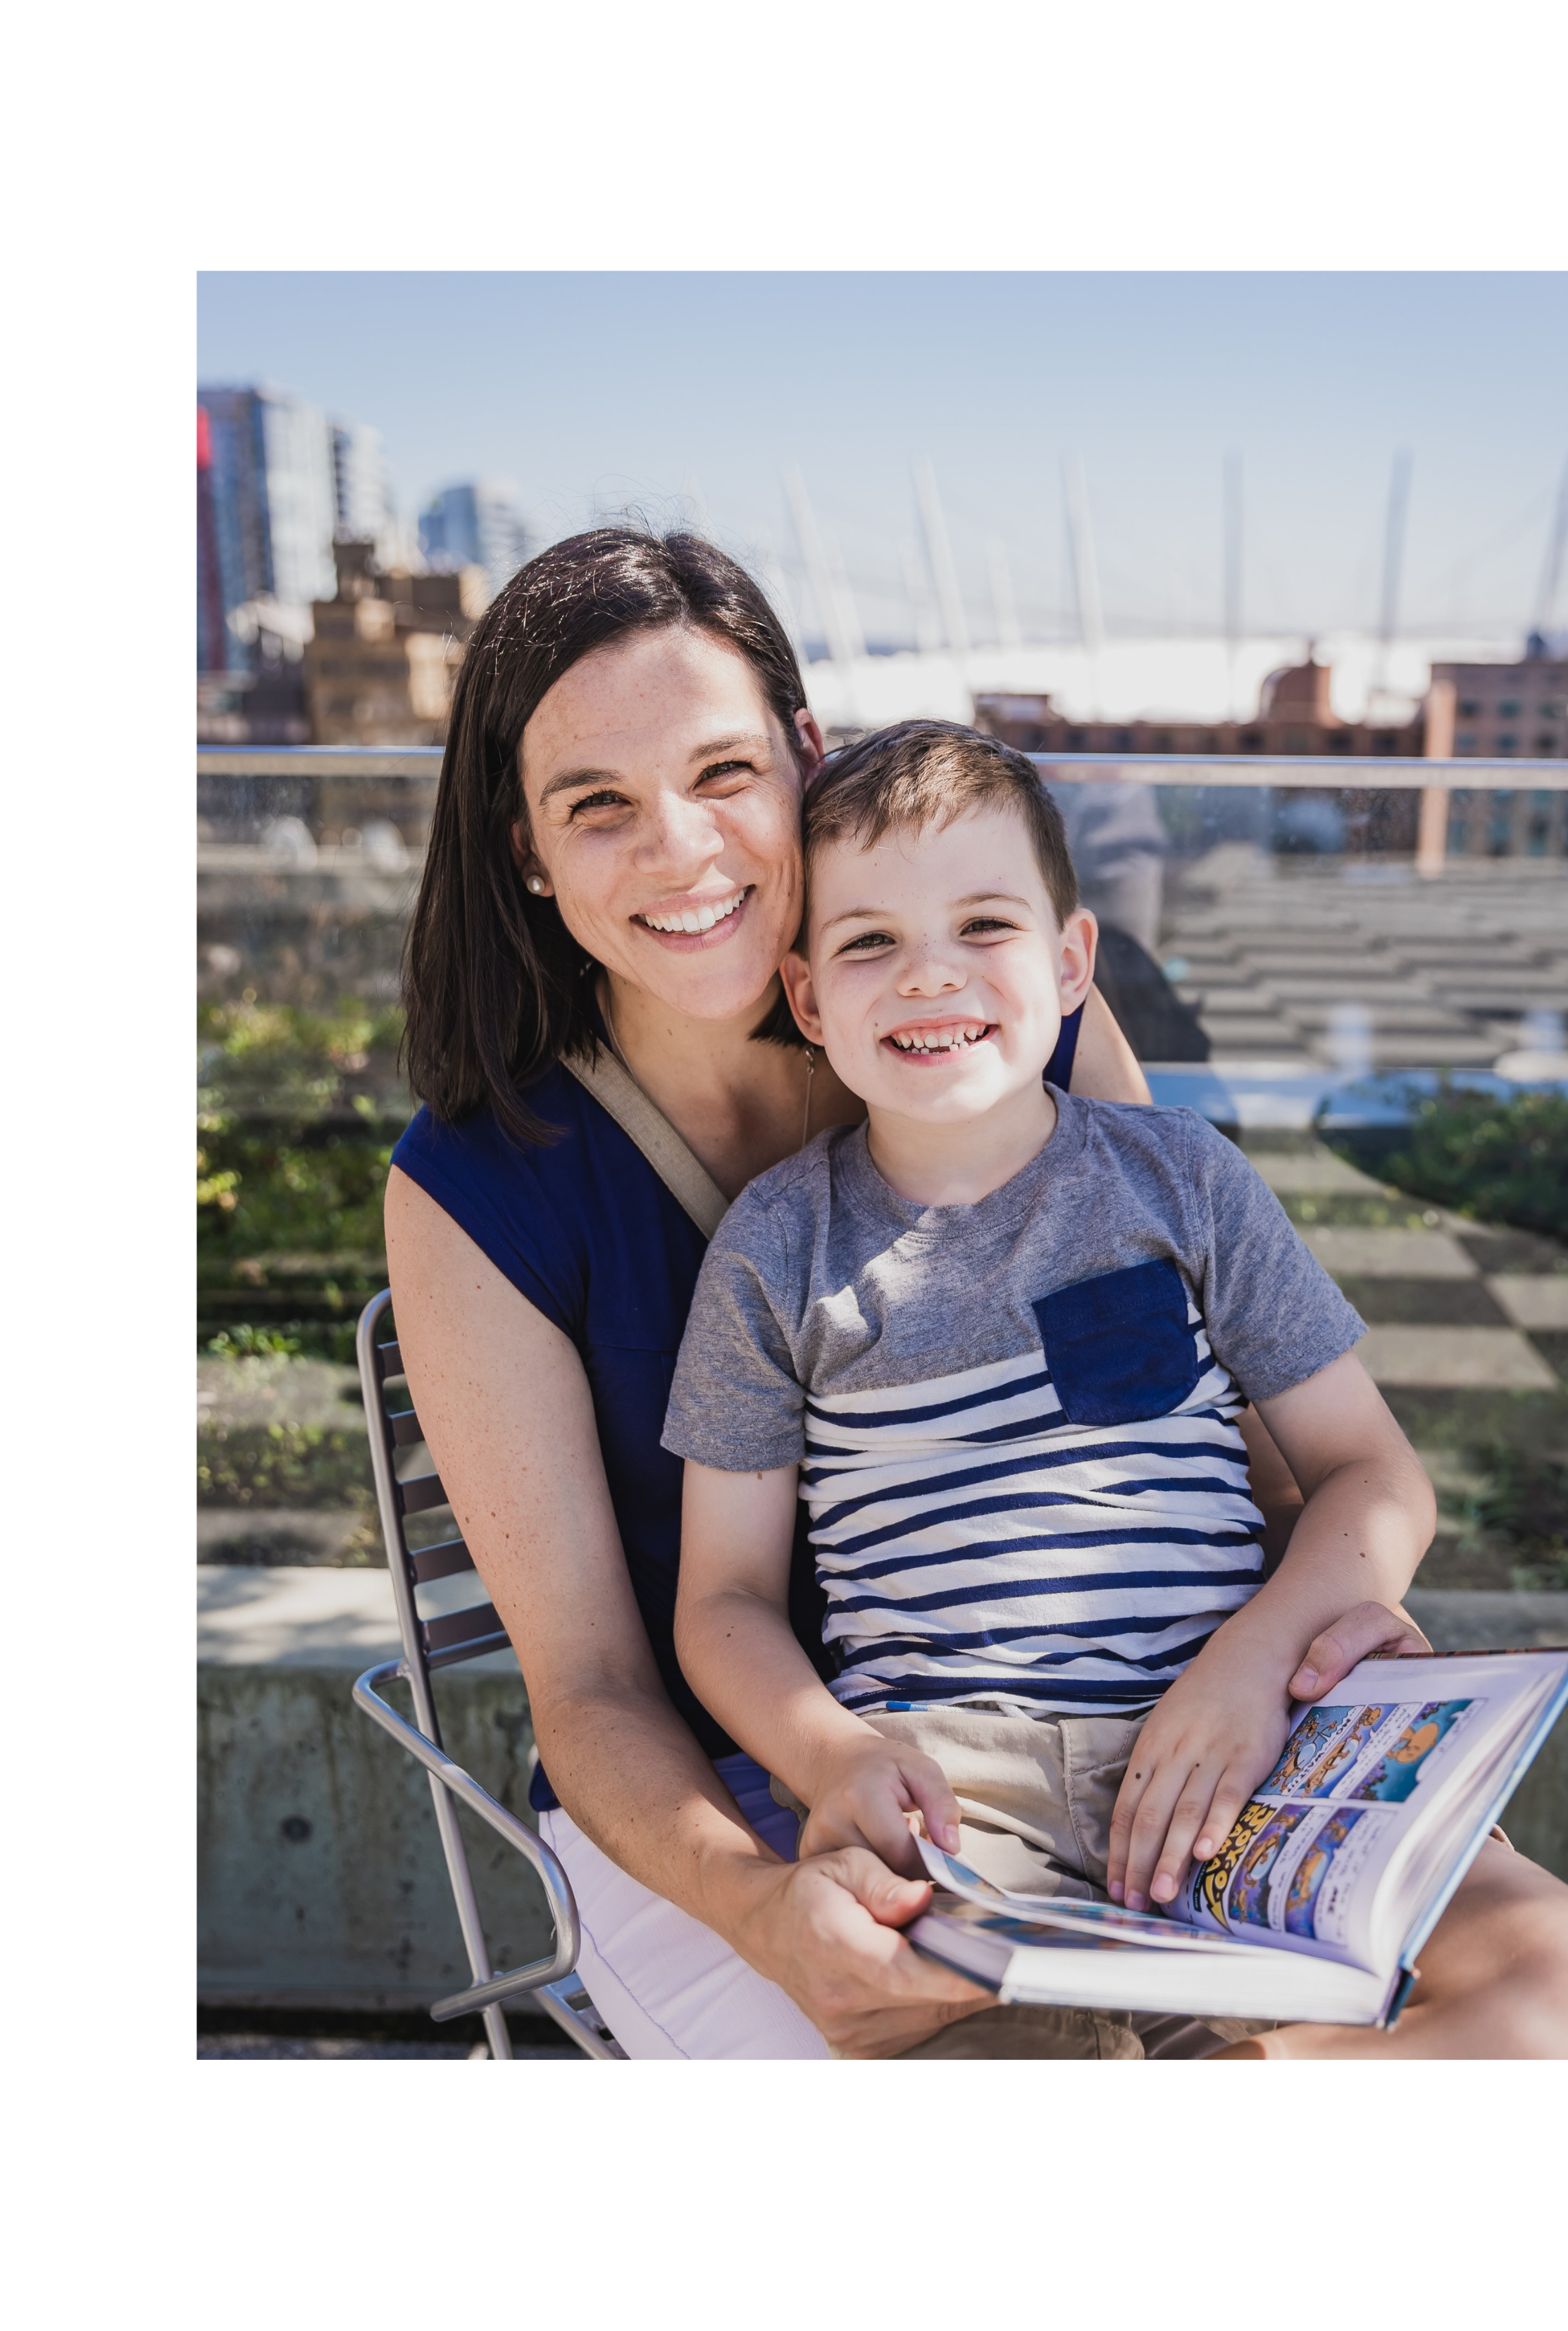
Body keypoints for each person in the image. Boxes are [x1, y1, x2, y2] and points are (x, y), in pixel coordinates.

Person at [387, 526, 1264, 2061]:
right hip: (718, 1809)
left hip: (1145, 1729)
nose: (680, 849)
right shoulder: (481, 1188)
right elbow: (589, 1686)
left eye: (725, 772)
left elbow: (1225, 1419)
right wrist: (759, 1910)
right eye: (597, 807)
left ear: (806, 753)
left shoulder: (1003, 1020)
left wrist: (1294, 1663)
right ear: (525, 852)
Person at [669, 721, 1568, 2059]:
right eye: (868, 944)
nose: (929, 977)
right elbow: (722, 1602)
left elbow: (1376, 1478)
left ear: (1070, 961)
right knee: (982, 2051)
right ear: (806, 999)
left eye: (985, 925)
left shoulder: (1181, 1180)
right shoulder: (774, 1247)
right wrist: (832, 1760)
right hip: (963, 1802)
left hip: (1249, 1750)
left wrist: (1255, 1661)